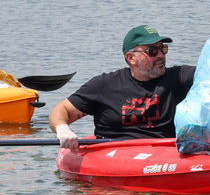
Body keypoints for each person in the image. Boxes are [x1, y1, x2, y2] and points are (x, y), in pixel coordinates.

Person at [49, 25, 195, 150]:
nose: (160, 55)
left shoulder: (178, 77)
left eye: (162, 48)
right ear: (131, 58)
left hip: (162, 153)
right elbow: (62, 110)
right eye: (152, 51)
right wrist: (62, 129)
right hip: (114, 153)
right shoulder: (104, 85)